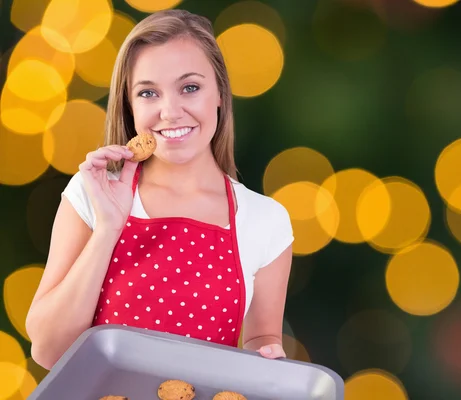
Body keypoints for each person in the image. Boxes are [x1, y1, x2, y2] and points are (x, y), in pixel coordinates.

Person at [25, 9, 294, 370]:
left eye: (190, 88)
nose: (170, 111)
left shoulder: (266, 220)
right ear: (130, 106)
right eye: (149, 93)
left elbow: (262, 342)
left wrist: (270, 357)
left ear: (219, 93)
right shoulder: (91, 194)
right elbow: (47, 350)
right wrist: (107, 229)